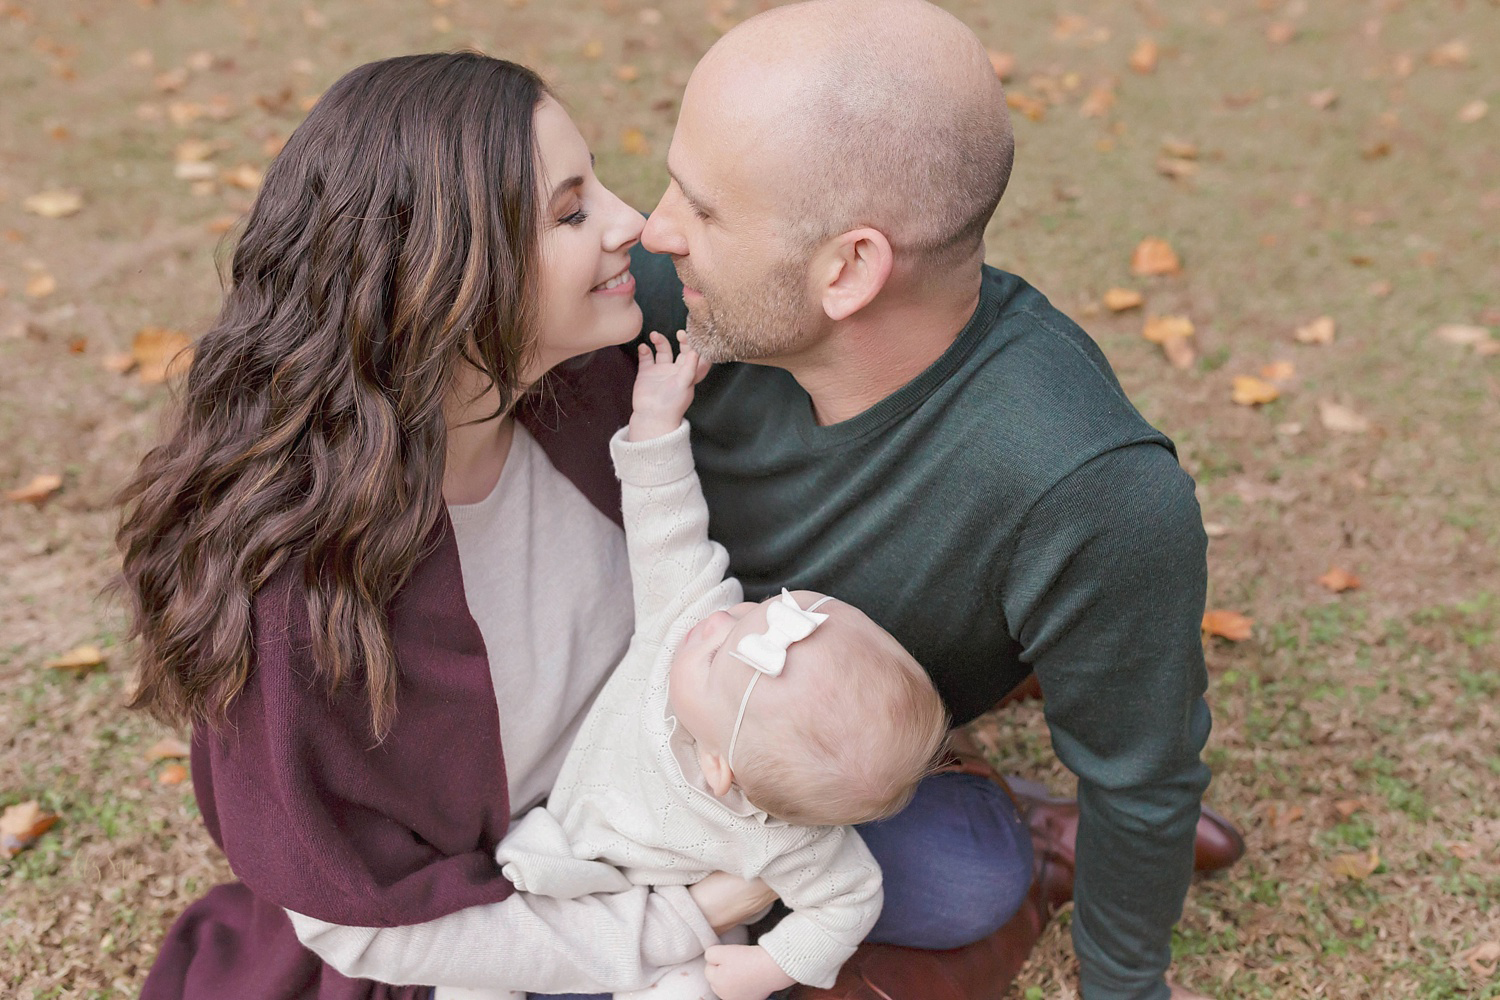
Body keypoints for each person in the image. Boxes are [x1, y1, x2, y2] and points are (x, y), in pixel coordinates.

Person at [117, 53, 777, 1000]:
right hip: (469, 946)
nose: (633, 222)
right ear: (441, 276)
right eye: (570, 209)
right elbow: (366, 928)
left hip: (640, 832)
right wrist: (688, 917)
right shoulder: (298, 598)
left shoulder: (596, 394)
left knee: (952, 874)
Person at [624, 1, 1247, 997]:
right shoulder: (655, 292)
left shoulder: (1091, 488)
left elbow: (1141, 778)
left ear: (850, 268)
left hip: (793, 762)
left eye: (702, 210)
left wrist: (1123, 982)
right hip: (605, 715)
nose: (652, 228)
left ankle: (1018, 834)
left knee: (962, 880)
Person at [481, 333, 948, 1000]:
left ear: (719, 766)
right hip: (562, 852)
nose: (718, 621)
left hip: (681, 909)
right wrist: (655, 423)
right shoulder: (688, 624)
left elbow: (850, 899)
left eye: (713, 654)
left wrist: (774, 965)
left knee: (688, 988)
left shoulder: (794, 844)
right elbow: (665, 526)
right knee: (496, 946)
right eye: (756, 611)